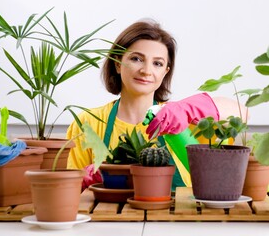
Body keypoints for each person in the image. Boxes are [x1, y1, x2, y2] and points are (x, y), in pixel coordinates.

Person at [67, 19, 231, 190]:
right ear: (117, 63)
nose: (146, 70)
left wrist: (186, 110)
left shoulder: (179, 121)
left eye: (157, 63)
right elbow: (69, 193)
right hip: (109, 215)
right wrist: (84, 179)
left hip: (180, 215)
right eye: (136, 59)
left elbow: (241, 113)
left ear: (165, 72)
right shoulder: (87, 123)